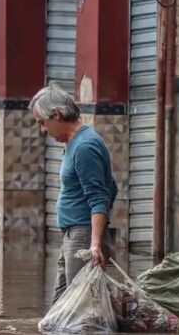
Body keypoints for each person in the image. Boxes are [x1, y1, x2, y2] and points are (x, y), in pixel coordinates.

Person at [31, 84, 118, 304]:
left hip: (82, 237)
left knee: (81, 310)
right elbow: (112, 187)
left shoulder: (84, 146)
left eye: (42, 123)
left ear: (56, 115)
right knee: (60, 309)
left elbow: (99, 197)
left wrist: (94, 243)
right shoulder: (75, 143)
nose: (43, 130)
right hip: (75, 234)